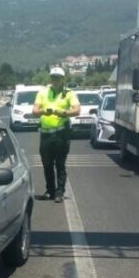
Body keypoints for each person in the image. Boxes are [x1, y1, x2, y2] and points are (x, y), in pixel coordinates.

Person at [33, 66, 80, 203]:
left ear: (63, 79)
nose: (54, 80)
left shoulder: (69, 93)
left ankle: (60, 191)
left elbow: (77, 110)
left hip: (61, 134)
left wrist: (64, 113)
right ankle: (50, 191)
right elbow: (35, 111)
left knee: (60, 164)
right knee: (47, 164)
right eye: (53, 77)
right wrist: (43, 112)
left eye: (57, 78)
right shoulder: (43, 92)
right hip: (46, 134)